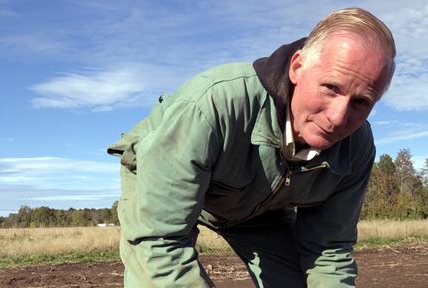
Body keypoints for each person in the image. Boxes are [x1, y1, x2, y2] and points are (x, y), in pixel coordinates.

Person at [108, 7, 395, 288]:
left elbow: (329, 251)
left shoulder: (356, 147)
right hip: (158, 178)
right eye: (331, 87)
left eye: (361, 102)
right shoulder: (213, 104)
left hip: (257, 207)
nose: (338, 117)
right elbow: (160, 240)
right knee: (156, 272)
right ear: (297, 67)